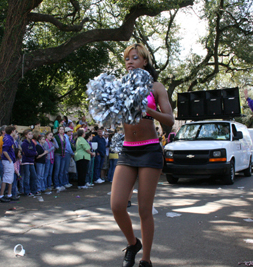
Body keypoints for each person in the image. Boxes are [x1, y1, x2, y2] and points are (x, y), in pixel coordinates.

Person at [110, 43, 174, 267]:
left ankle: (145, 259)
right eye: (127, 58)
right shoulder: (121, 86)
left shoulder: (156, 86)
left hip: (149, 150)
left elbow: (169, 119)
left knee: (144, 209)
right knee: (117, 205)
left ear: (145, 61)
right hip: (128, 150)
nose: (129, 62)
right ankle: (132, 243)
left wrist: (149, 110)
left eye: (134, 58)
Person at [0, 125, 17, 202]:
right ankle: (1, 195)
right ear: (12, 131)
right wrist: (9, 159)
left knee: (10, 178)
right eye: (15, 131)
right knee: (6, 178)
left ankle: (9, 194)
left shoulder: (9, 138)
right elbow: (5, 151)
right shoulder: (8, 139)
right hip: (7, 160)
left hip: (9, 160)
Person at [21, 129, 39, 197]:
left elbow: (34, 150)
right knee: (27, 176)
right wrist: (34, 153)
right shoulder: (24, 143)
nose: (31, 135)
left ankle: (34, 189)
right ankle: (27, 191)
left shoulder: (32, 142)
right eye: (29, 134)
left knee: (34, 176)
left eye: (31, 134)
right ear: (26, 135)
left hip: (31, 161)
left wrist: (33, 153)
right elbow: (27, 152)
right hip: (26, 161)